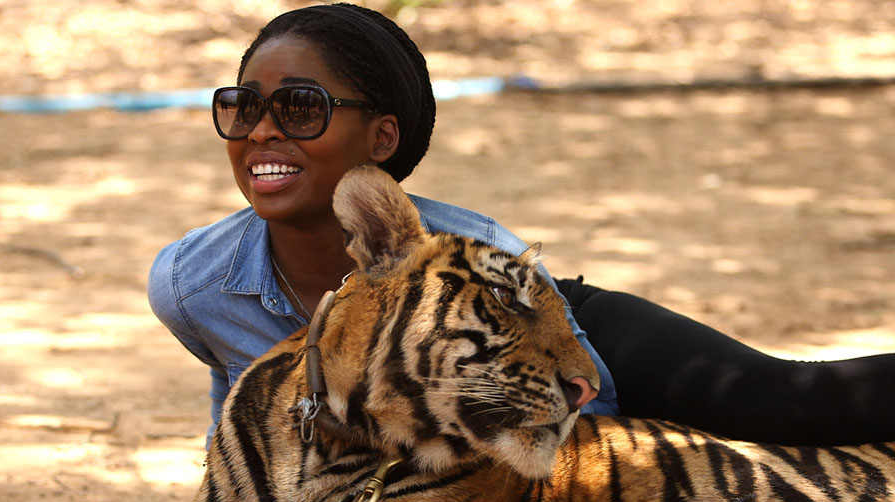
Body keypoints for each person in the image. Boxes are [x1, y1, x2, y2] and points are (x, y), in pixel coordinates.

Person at [148, 3, 894, 448]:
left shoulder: (479, 248)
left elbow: (585, 396)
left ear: (381, 139)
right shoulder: (192, 283)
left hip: (565, 338)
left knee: (789, 404)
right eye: (243, 106)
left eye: (301, 107)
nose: (262, 131)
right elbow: (240, 386)